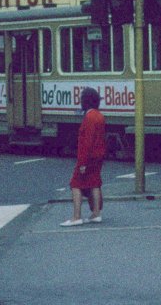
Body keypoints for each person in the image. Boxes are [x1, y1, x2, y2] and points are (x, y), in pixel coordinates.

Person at [61, 87, 107, 226]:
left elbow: (86, 142)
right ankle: (96, 214)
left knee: (75, 184)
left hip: (88, 157)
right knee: (94, 183)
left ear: (85, 101)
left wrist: (82, 163)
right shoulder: (99, 116)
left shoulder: (89, 117)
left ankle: (76, 217)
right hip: (98, 156)